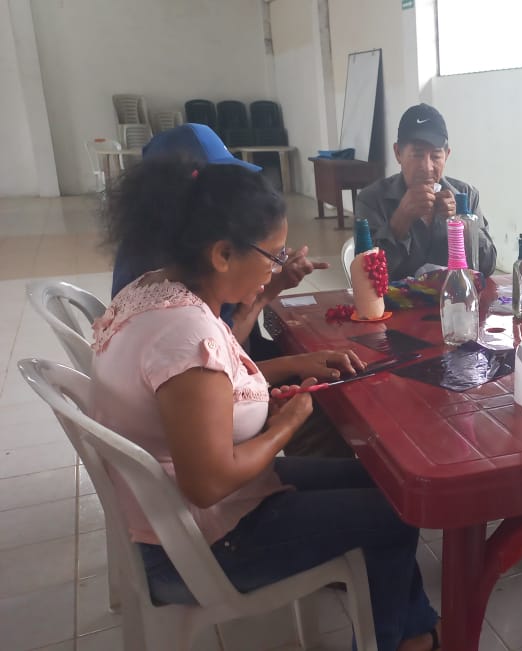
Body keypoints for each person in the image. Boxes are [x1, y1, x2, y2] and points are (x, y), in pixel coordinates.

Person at [93, 159, 440, 651]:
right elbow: (208, 482)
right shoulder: (184, 335)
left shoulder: (154, 289)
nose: (276, 268)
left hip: (179, 517)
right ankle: (403, 641)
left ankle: (414, 632)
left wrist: (295, 364)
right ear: (222, 254)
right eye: (273, 256)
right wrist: (285, 426)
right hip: (199, 546)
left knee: (386, 480)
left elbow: (214, 378)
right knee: (396, 513)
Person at [109, 123, 329, 361]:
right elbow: (219, 354)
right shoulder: (172, 277)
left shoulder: (177, 241)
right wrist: (267, 291)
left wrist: (268, 266)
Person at [356, 103, 497, 278]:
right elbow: (367, 276)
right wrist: (400, 221)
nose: (427, 167)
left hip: (452, 294)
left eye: (436, 156)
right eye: (417, 155)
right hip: (394, 296)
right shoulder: (371, 199)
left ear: (447, 155)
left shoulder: (466, 196)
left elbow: (488, 266)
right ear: (398, 153)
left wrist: (463, 225)